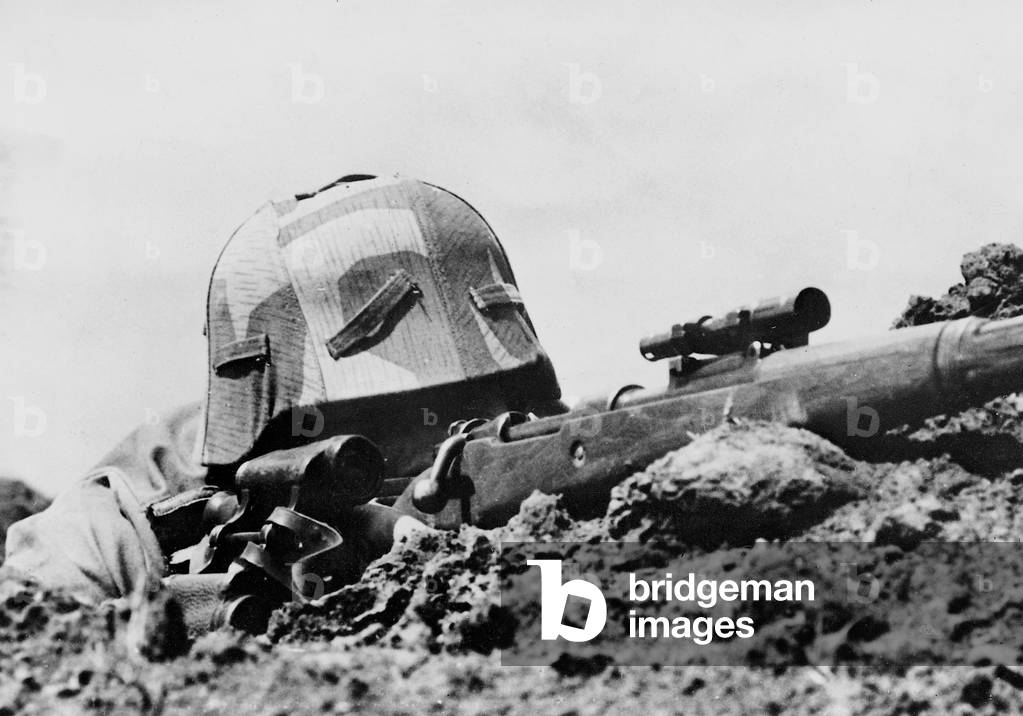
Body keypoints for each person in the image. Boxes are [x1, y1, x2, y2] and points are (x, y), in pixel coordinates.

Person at [3, 174, 564, 615]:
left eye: (474, 404)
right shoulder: (124, 522)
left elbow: (636, 625)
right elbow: (35, 636)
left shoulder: (547, 453)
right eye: (386, 416)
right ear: (282, 429)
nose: (445, 446)